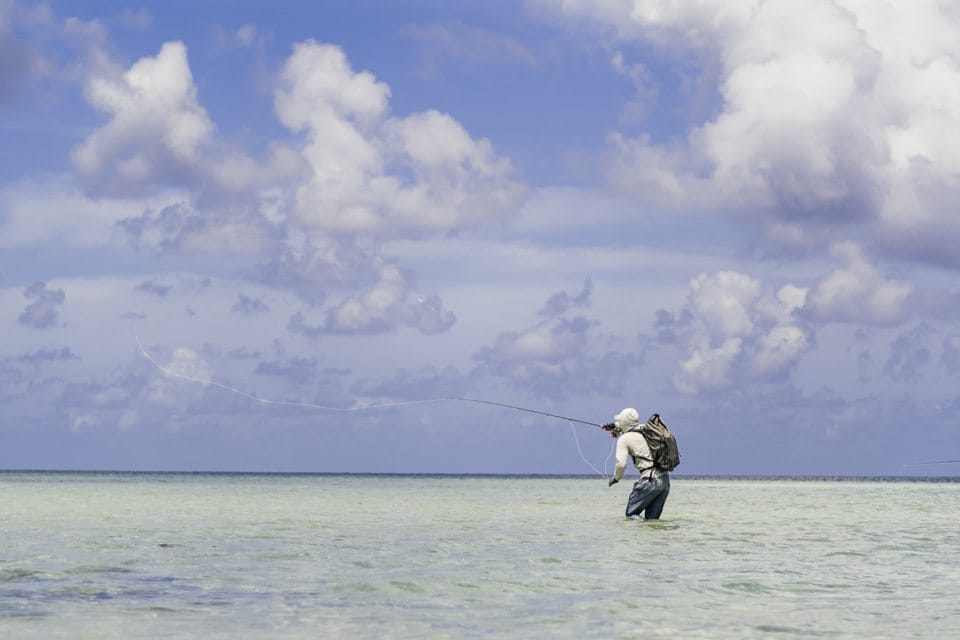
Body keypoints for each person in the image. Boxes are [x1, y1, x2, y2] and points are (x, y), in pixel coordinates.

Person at [605, 407, 671, 520]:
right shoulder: (647, 429)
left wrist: (615, 479)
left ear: (624, 422)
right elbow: (628, 427)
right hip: (664, 481)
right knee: (652, 522)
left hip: (649, 481)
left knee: (631, 515)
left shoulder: (624, 439)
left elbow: (621, 465)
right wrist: (613, 426)